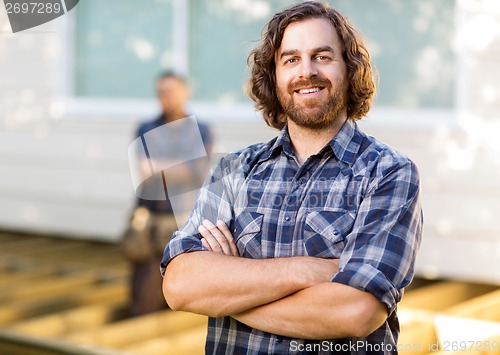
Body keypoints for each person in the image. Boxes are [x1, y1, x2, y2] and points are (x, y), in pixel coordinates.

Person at [161, 2, 422, 354]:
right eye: (291, 59)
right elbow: (179, 285)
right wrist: (306, 270)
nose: (306, 71)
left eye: (323, 56)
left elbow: (356, 311)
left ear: (350, 68)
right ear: (275, 75)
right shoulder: (234, 171)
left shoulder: (388, 173)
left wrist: (228, 288)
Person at [127, 71, 212, 317]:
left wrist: (160, 166)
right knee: (144, 298)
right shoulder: (145, 128)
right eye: (162, 92)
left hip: (186, 225)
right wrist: (184, 164)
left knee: (184, 299)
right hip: (150, 224)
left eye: (172, 91)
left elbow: (199, 172)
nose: (167, 97)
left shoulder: (200, 129)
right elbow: (144, 170)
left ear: (185, 92)